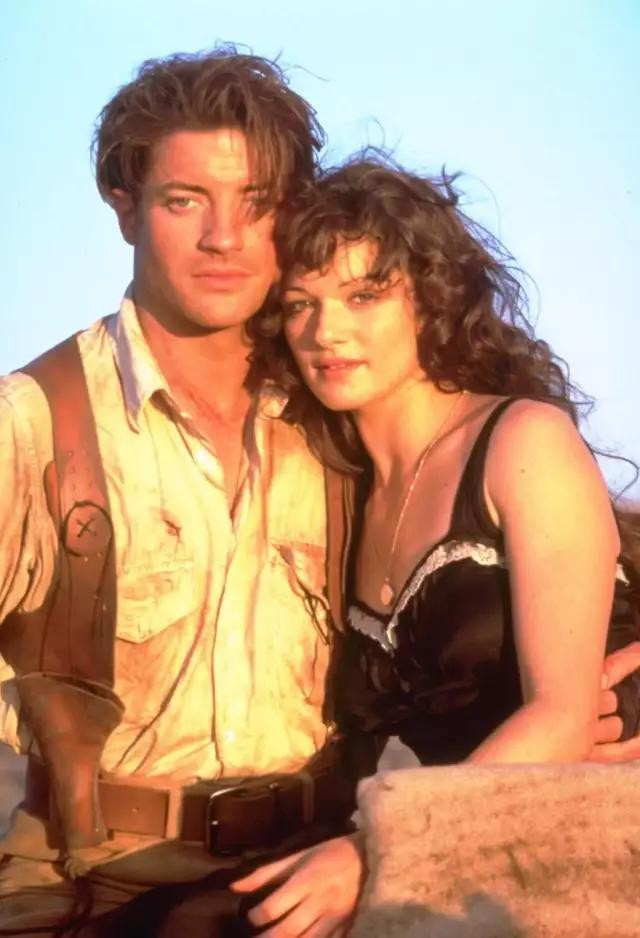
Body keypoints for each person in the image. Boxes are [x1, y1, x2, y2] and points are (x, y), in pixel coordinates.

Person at [0, 49, 638, 938]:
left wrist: (564, 722)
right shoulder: (38, 423)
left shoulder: (345, 431)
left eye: (256, 203)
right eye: (185, 200)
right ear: (124, 207)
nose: (224, 238)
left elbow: (555, 650)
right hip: (97, 876)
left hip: (345, 860)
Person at [231, 157, 640, 937]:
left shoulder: (521, 440)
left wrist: (376, 850)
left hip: (590, 861)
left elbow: (561, 716)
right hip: (470, 863)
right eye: (300, 303)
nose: (325, 331)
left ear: (431, 298)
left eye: (364, 295)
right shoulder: (342, 491)